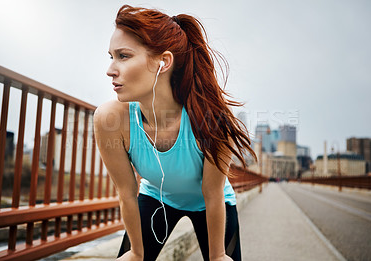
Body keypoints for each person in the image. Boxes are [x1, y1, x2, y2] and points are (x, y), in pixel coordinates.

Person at [94, 5, 256, 261]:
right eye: (111, 56)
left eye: (123, 56)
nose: (110, 69)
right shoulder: (110, 119)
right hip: (156, 198)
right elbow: (126, 193)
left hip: (212, 203)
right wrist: (136, 253)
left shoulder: (212, 121)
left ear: (164, 62)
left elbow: (212, 194)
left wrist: (217, 256)